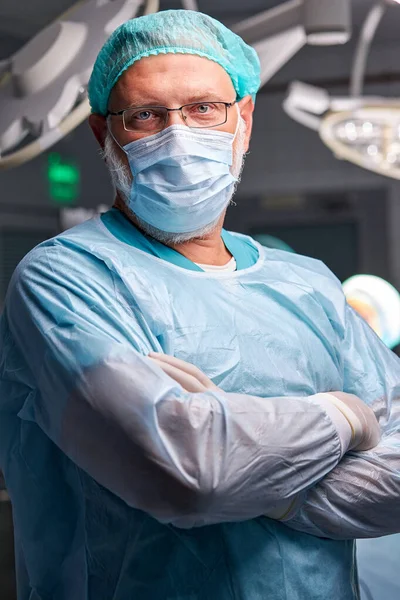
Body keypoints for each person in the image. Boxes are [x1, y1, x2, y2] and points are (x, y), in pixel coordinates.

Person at [0, 9, 399, 600]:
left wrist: (250, 465)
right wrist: (347, 417)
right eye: (146, 115)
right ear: (102, 134)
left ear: (244, 119)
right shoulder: (66, 279)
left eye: (204, 108)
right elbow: (186, 474)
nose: (178, 134)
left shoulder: (309, 285)